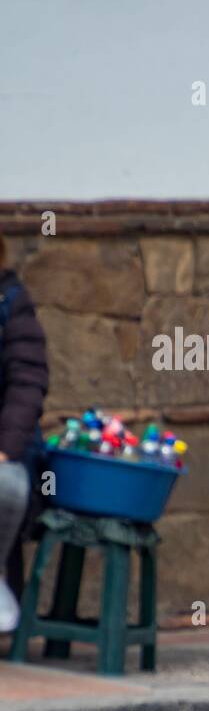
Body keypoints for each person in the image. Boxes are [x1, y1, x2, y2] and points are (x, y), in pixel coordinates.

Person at [0, 235, 50, 631]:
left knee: (5, 486)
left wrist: (6, 447)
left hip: (7, 454)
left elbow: (27, 382)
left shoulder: (11, 304)